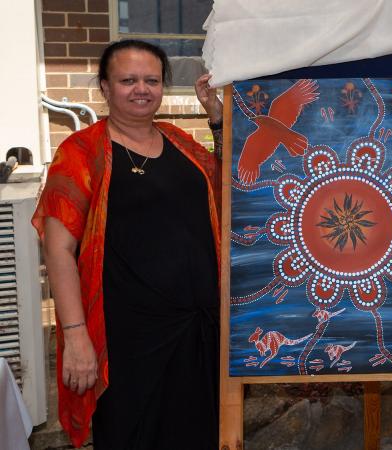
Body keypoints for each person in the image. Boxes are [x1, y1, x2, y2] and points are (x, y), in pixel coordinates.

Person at [32, 40, 224, 449]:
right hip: (129, 342)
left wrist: (218, 122)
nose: (142, 89)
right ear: (105, 87)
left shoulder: (180, 143)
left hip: (198, 332)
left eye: (152, 80)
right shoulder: (80, 153)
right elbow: (58, 250)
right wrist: (76, 335)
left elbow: (229, 195)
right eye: (128, 80)